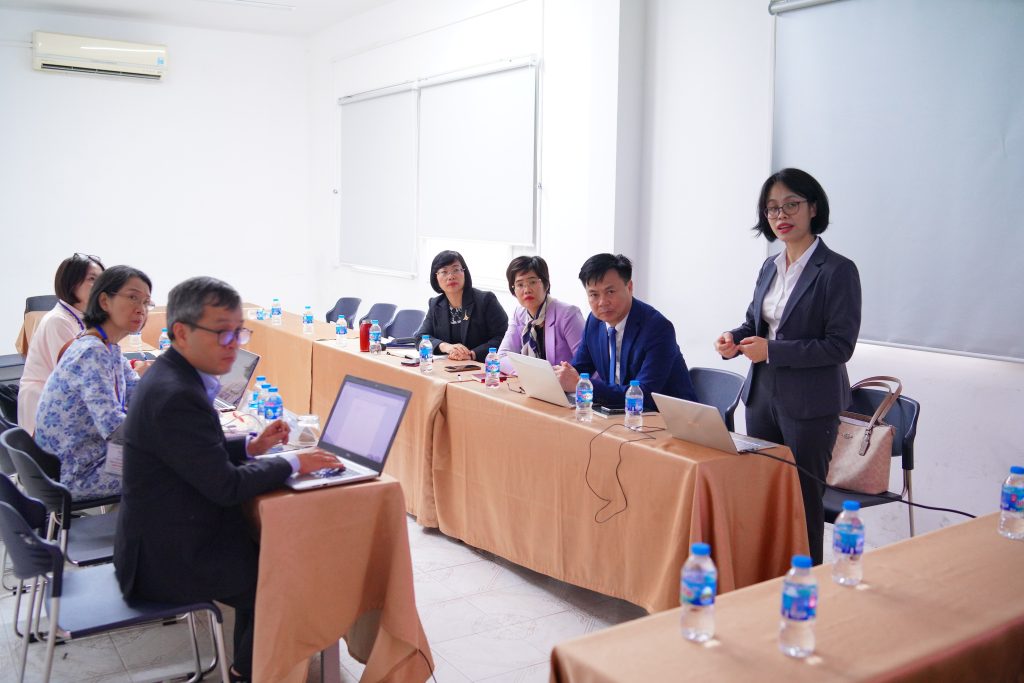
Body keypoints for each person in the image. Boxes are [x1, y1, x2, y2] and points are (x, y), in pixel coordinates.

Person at [113, 276, 342, 683]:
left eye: (240, 332)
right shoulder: (176, 393)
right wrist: (293, 462)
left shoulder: (172, 375)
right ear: (181, 332)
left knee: (276, 556)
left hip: (168, 533)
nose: (234, 344)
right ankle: (247, 672)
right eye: (222, 333)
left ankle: (247, 666)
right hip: (166, 557)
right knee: (289, 576)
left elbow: (192, 454)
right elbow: (227, 486)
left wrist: (251, 447)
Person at [714, 168, 861, 566]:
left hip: (811, 404)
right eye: (772, 208)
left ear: (813, 208)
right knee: (765, 494)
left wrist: (773, 351)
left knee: (803, 500)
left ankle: (807, 582)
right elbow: (755, 323)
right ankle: (767, 577)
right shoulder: (769, 267)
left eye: (791, 204)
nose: (781, 215)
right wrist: (732, 340)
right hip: (761, 396)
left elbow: (839, 346)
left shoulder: (837, 270)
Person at [34, 265, 153, 500]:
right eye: (133, 297)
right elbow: (115, 427)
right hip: (77, 474)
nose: (141, 309)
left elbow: (139, 394)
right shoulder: (92, 351)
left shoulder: (107, 346)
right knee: (178, 466)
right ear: (104, 301)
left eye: (146, 302)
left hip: (87, 459)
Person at [554, 253, 697, 410]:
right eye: (594, 294)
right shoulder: (595, 322)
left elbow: (643, 394)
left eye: (610, 292)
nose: (602, 302)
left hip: (667, 417)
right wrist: (560, 377)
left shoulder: (658, 328)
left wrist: (581, 385)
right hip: (618, 414)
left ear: (629, 287)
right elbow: (578, 370)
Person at [18, 253, 105, 434]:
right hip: (46, 408)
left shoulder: (80, 316)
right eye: (92, 279)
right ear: (72, 283)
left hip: (63, 402)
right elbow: (79, 374)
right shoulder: (58, 321)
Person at [415, 250, 508, 361]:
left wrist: (472, 354)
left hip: (483, 366)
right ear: (436, 277)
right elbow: (420, 337)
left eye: (456, 270)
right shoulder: (436, 304)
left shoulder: (485, 300)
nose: (451, 276)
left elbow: (503, 337)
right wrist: (445, 346)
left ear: (464, 272)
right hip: (449, 366)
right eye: (444, 272)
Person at [498, 255, 584, 367]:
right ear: (513, 289)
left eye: (533, 282)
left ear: (546, 284)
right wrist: (531, 371)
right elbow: (501, 357)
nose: (527, 290)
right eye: (520, 284)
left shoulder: (568, 314)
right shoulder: (519, 314)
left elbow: (586, 364)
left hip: (564, 378)